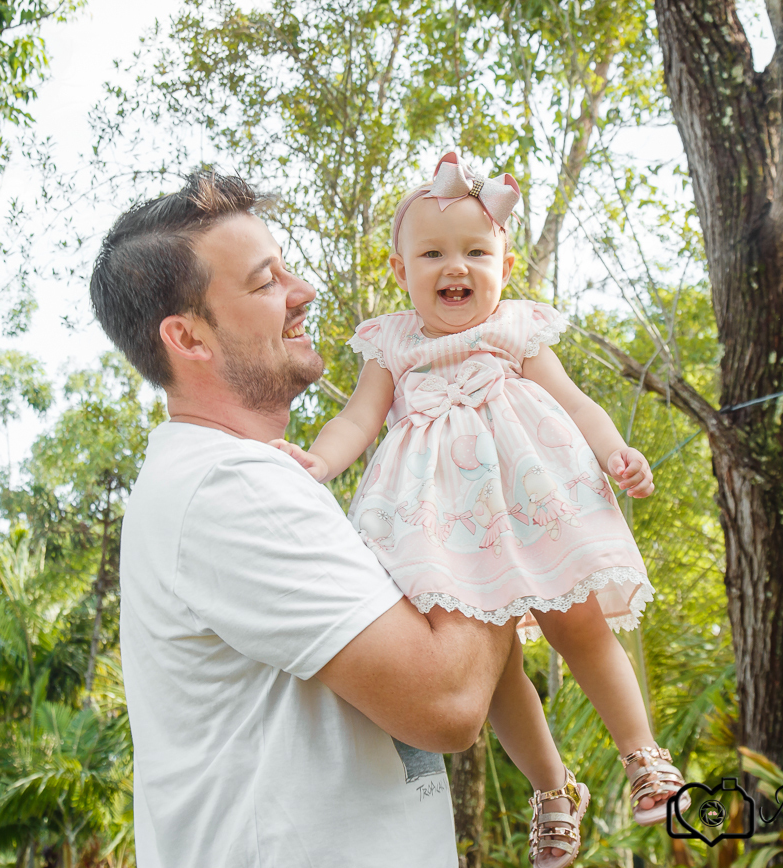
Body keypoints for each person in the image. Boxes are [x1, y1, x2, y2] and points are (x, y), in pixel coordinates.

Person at [89, 169, 522, 868]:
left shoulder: (227, 478)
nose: (304, 293)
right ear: (189, 339)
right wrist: (504, 480)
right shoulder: (229, 485)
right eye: (266, 284)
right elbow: (447, 699)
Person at [272, 153, 690, 868]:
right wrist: (318, 461)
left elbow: (576, 403)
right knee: (490, 669)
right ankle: (553, 790)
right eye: (432, 253)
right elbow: (357, 420)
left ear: (504, 262)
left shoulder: (517, 330)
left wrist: (617, 451)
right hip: (445, 524)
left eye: (475, 251)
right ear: (401, 273)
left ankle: (644, 756)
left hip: (532, 502)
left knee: (579, 627)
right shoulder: (393, 342)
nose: (454, 267)